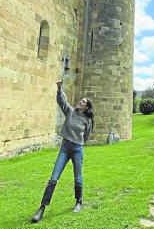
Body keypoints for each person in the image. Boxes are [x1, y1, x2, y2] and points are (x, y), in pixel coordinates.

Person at [31, 81, 94, 223]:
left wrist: (78, 141)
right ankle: (41, 208)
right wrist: (59, 88)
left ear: (87, 107)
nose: (80, 102)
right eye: (80, 100)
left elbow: (87, 136)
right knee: (53, 178)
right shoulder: (70, 112)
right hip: (65, 148)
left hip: (77, 149)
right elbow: (62, 100)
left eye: (83, 102)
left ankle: (79, 201)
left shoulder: (88, 120)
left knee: (78, 178)